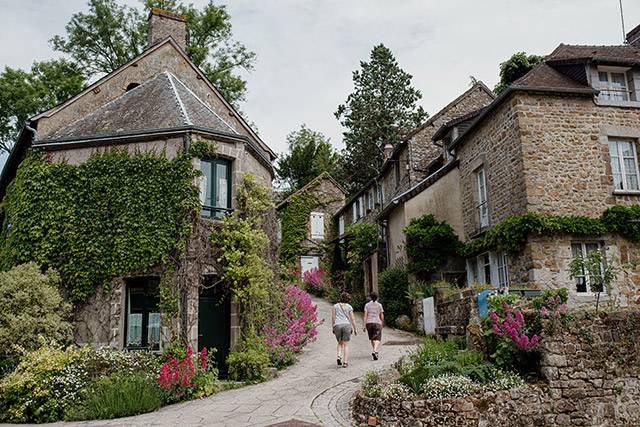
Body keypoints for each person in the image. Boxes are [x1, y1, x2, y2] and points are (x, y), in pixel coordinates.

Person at [332, 291, 357, 368]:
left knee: (340, 342)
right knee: (346, 344)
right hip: (346, 325)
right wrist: (355, 329)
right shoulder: (349, 307)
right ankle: (345, 362)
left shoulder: (335, 306)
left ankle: (339, 356)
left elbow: (333, 317)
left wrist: (333, 327)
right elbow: (352, 319)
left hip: (337, 325)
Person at [362, 292, 384, 360]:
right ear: (377, 297)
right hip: (377, 322)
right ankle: (375, 350)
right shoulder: (379, 305)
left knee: (372, 338)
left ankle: (375, 351)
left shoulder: (367, 305)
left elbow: (365, 315)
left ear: (370, 297)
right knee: (377, 338)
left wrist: (364, 325)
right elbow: (381, 315)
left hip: (369, 323)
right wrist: (382, 322)